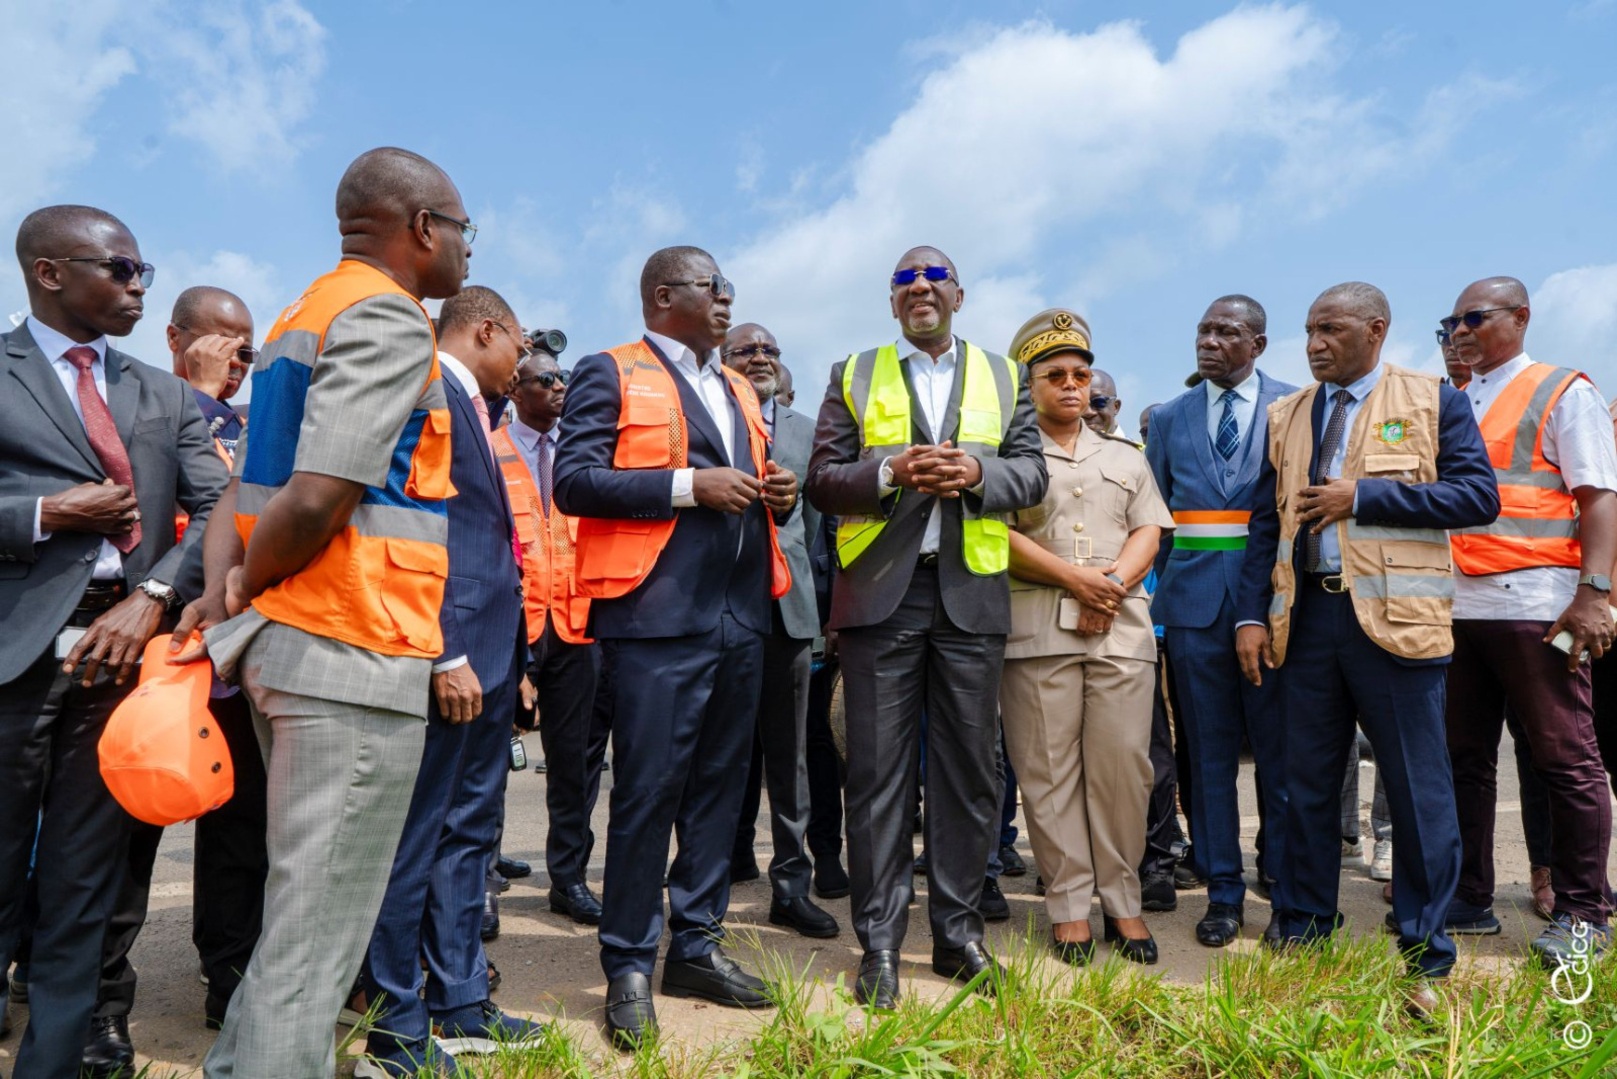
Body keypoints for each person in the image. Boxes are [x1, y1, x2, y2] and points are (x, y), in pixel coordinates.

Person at [177, 146, 472, 1079]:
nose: (467, 250)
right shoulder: (386, 317)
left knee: (302, 915)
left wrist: (234, 586)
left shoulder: (303, 315)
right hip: (349, 644)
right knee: (317, 934)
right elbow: (315, 496)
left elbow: (238, 493)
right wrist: (253, 586)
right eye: (463, 229)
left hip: (302, 646)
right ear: (424, 228)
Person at [0, 204, 228, 1079]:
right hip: (12, 662)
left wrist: (159, 594)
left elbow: (218, 506)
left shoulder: (159, 392)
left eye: (145, 273)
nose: (138, 286)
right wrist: (46, 513)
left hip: (120, 661)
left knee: (82, 891)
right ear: (50, 272)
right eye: (120, 270)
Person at [553, 246, 795, 1050]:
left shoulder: (735, 386)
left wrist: (776, 491)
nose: (728, 300)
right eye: (713, 287)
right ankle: (627, 961)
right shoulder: (608, 370)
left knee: (721, 794)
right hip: (654, 621)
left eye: (729, 287)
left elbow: (748, 487)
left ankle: (694, 944)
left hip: (738, 620)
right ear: (664, 295)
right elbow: (574, 481)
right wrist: (688, 486)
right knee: (648, 792)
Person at [1236, 281, 1498, 1019]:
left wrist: (1366, 497)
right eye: (1309, 330)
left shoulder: (1429, 399)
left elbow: (1477, 497)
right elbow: (1265, 523)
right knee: (1304, 785)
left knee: (1419, 792)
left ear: (1375, 330)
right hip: (1305, 623)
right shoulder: (1286, 415)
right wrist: (1249, 617)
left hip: (1395, 625)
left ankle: (1424, 948)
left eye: (1329, 329)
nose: (1314, 342)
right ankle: (1305, 927)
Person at [805, 246, 1046, 1008]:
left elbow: (1032, 472)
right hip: (883, 595)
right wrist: (888, 473)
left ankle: (956, 936)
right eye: (904, 281)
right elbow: (821, 479)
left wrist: (977, 475)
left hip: (971, 594)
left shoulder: (1005, 375)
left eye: (932, 278)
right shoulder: (853, 372)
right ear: (891, 302)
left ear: (958, 294)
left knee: (970, 774)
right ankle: (877, 943)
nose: (919, 289)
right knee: (875, 776)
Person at [84, 287, 268, 1078]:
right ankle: (101, 1001)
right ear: (178, 339)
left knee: (243, 838)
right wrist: (199, 393)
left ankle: (228, 980)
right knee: (125, 839)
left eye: (249, 348)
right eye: (224, 344)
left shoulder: (262, 428)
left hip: (241, 663)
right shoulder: (152, 408)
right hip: (155, 662)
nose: (239, 361)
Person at [357, 285, 538, 1076]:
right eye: (520, 345)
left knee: (469, 834)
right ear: (487, 331)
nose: (524, 362)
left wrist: (516, 663)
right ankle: (397, 1020)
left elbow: (489, 542)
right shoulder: (424, 385)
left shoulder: (477, 409)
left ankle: (461, 1000)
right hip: (446, 654)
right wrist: (444, 650)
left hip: (491, 657)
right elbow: (408, 526)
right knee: (415, 837)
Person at [1440, 276, 1616, 965]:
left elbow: (1597, 498)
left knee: (1565, 759)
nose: (1459, 330)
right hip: (1460, 605)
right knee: (1463, 759)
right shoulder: (1455, 399)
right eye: (1451, 321)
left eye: (1473, 318)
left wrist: (1593, 593)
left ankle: (1582, 911)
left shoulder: (1561, 390)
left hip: (1536, 604)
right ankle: (1469, 896)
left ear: (1519, 317)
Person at [997, 308, 1174, 966]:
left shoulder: (1124, 457)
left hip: (1118, 630)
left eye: (1080, 374)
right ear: (1029, 384)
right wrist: (1076, 580)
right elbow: (997, 536)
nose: (1071, 386)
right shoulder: (1006, 459)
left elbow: (1148, 529)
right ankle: (1069, 905)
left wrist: (1111, 585)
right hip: (1038, 629)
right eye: (1054, 375)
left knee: (1124, 767)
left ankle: (1121, 898)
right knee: (1047, 773)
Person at [1145, 295, 1296, 947]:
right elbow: (1152, 519)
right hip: (1192, 611)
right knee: (1206, 756)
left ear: (1257, 344)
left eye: (1225, 331)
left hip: (1274, 607)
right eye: (1202, 329)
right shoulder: (1169, 417)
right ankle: (1223, 894)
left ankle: (1287, 890)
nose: (1208, 340)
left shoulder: (1296, 407)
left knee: (1282, 757)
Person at [724, 323, 840, 939]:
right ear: (724, 361)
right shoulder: (708, 416)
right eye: (747, 350)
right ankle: (709, 883)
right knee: (717, 757)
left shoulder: (807, 432)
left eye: (770, 350)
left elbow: (821, 530)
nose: (761, 358)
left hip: (789, 615)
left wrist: (823, 618)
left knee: (791, 761)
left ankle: (791, 887)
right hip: (717, 610)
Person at [496, 349, 608, 926]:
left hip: (576, 626)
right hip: (509, 625)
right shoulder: (490, 448)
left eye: (564, 378)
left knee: (575, 763)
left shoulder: (581, 455)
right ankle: (478, 881)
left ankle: (568, 878)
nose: (560, 387)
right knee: (486, 758)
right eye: (547, 379)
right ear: (515, 388)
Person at [1083, 368, 1122, 436]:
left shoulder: (1134, 447)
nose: (1088, 413)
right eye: (1080, 405)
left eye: (1098, 402)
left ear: (1116, 407)